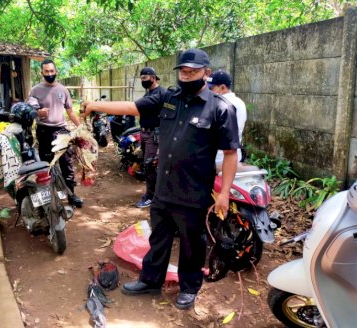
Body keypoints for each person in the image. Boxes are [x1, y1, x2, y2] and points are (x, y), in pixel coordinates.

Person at [81, 49, 240, 310]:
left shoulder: (220, 108)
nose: (186, 76)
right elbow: (132, 107)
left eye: (193, 72)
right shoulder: (168, 98)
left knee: (191, 244)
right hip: (163, 189)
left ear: (206, 73)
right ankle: (150, 280)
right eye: (183, 71)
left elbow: (231, 153)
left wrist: (224, 194)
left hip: (193, 192)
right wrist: (96, 105)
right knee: (159, 238)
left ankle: (189, 288)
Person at [27, 59, 84, 208]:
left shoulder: (63, 90)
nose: (50, 74)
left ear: (56, 71)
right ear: (42, 72)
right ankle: (50, 196)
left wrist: (81, 127)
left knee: (67, 164)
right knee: (46, 165)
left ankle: (71, 195)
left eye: (52, 71)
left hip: (61, 131)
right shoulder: (35, 90)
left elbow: (70, 111)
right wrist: (38, 112)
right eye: (47, 71)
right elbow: (31, 111)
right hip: (44, 131)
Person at [135, 67, 165, 209]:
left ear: (153, 77)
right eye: (141, 79)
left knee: (150, 165)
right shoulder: (148, 94)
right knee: (147, 165)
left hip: (154, 135)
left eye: (145, 78)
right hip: (145, 133)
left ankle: (151, 196)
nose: (143, 81)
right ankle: (152, 193)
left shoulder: (160, 93)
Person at [207, 70, 247, 164]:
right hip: (234, 155)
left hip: (219, 158)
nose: (208, 92)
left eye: (211, 88)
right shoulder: (239, 102)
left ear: (222, 87)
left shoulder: (220, 104)